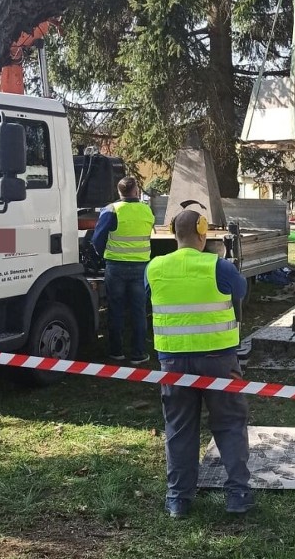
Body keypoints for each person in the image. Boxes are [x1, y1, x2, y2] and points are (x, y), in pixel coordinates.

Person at [146, 208, 253, 517]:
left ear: (171, 233)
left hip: (173, 363)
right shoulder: (219, 267)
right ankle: (238, 495)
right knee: (230, 423)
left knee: (179, 427)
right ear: (204, 233)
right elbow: (240, 292)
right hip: (219, 361)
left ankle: (178, 499)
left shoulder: (154, 268)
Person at [92, 175, 155, 364]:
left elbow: (97, 238)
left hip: (116, 266)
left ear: (119, 191)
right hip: (139, 267)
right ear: (136, 190)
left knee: (115, 310)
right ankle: (138, 353)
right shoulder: (147, 211)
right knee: (138, 311)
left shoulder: (111, 210)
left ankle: (116, 351)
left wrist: (103, 254)